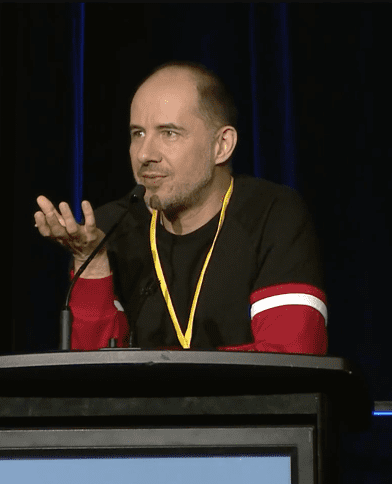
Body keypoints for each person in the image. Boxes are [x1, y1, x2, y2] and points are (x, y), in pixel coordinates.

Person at [35, 61, 328, 354]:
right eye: (138, 134)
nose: (145, 154)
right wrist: (92, 263)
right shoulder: (111, 228)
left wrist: (164, 372)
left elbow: (291, 360)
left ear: (222, 145)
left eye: (169, 133)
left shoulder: (272, 214)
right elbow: (91, 373)